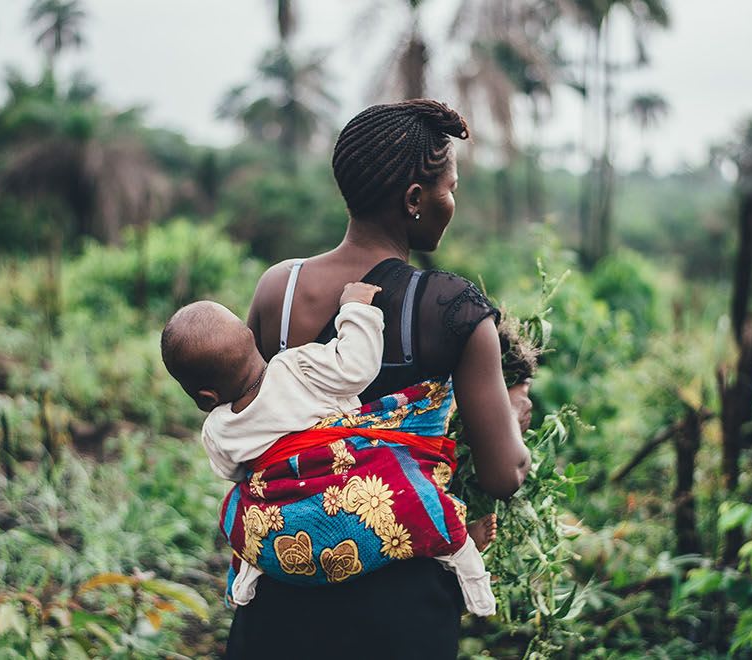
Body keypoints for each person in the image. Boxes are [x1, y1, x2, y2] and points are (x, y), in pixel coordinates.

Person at [227, 99, 532, 659]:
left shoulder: (279, 288)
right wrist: (513, 409)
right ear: (415, 198)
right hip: (399, 610)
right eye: (451, 187)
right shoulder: (452, 307)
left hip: (283, 582)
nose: (452, 202)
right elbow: (504, 474)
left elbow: (248, 424)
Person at [159, 282, 498, 615]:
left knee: (238, 509)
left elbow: (234, 473)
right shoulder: (296, 366)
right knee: (412, 494)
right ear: (251, 340)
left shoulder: (217, 429)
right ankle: (465, 561)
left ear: (205, 397)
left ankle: (249, 571)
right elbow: (357, 367)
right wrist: (356, 309)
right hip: (348, 493)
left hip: (287, 527)